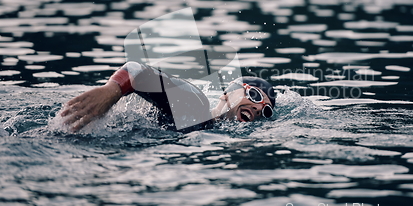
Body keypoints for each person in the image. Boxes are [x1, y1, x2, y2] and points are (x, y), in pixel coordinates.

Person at [60, 61, 276, 133]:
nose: (258, 109)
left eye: (266, 111)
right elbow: (138, 70)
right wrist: (111, 90)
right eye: (254, 96)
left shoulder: (213, 132)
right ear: (228, 94)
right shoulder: (194, 102)